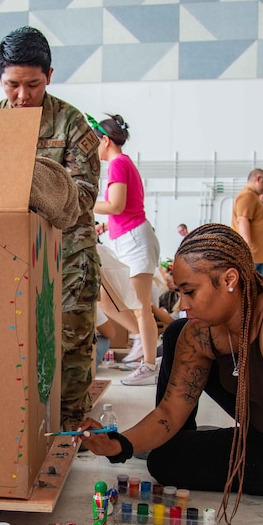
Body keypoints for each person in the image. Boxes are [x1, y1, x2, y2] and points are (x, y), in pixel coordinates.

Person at [78, 224, 263, 525]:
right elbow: (169, 411)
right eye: (179, 293)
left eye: (190, 291)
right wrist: (118, 444)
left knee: (181, 334)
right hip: (256, 437)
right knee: (164, 458)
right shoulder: (202, 332)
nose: (182, 304)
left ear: (229, 280)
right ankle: (195, 440)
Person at [0, 26, 101, 429]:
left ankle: (69, 433)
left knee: (70, 348)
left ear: (50, 76)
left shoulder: (73, 125)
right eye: (12, 85)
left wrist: (29, 180)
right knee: (15, 343)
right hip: (11, 256)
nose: (22, 96)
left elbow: (84, 197)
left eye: (33, 85)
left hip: (69, 258)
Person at [91, 113, 160, 386]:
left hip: (135, 240)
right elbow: (123, 207)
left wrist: (82, 200)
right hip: (124, 237)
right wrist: (106, 226)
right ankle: (142, 339)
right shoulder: (120, 164)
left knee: (141, 307)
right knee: (108, 299)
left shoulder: (118, 164)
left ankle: (150, 366)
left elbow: (116, 205)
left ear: (106, 141)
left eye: (95, 143)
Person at [231, 169, 263, 277]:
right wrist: (246, 249)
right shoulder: (247, 196)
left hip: (257, 256)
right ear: (258, 179)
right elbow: (243, 221)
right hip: (252, 256)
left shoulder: (253, 197)